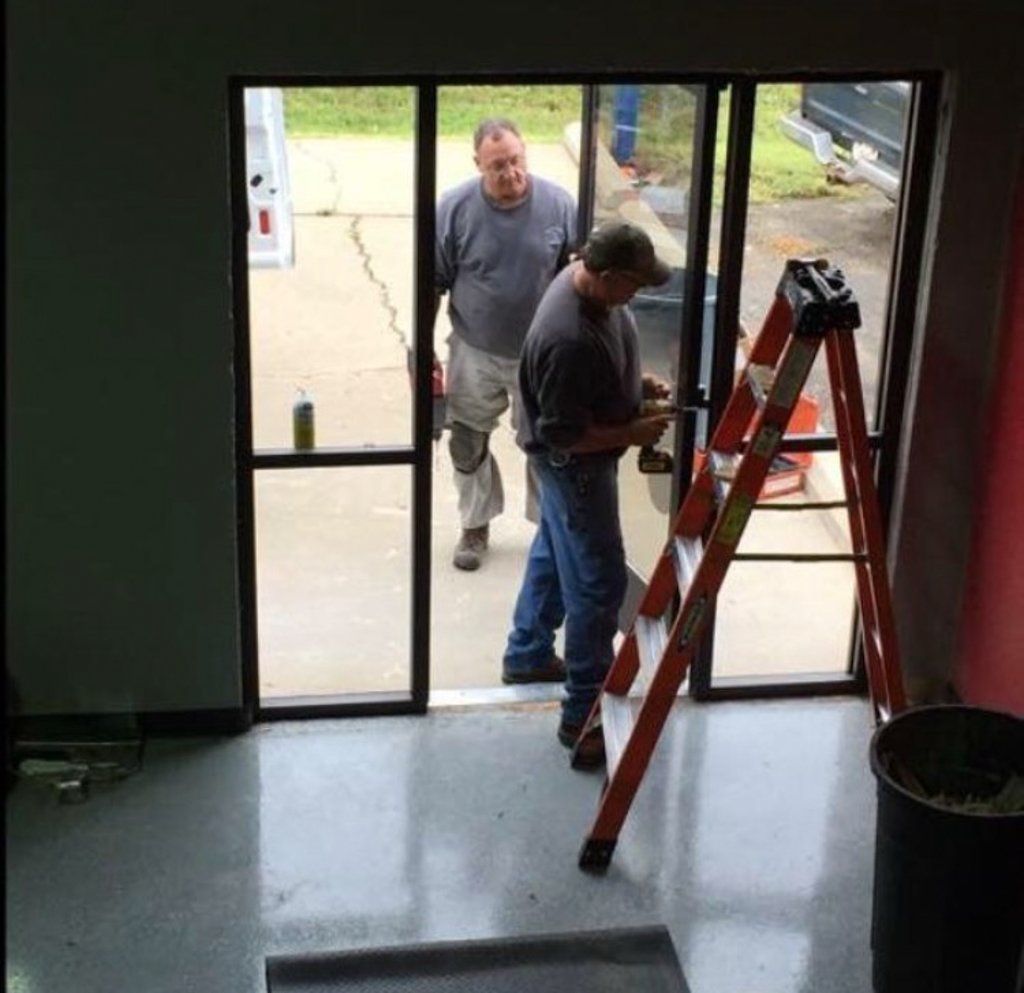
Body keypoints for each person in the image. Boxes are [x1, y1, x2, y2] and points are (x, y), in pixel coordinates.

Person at [502, 220, 674, 767]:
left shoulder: (588, 289)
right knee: (598, 588)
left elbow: (591, 375)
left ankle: (528, 653)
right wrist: (632, 432)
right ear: (604, 274)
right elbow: (564, 435)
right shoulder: (568, 338)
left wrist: (634, 385)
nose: (637, 294)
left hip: (568, 468)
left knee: (556, 553)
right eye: (633, 284)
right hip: (574, 469)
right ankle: (583, 717)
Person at [435, 118, 576, 572]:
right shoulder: (454, 209)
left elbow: (581, 278)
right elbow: (433, 281)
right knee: (466, 440)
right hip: (474, 349)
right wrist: (423, 351)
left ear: (525, 153)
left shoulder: (560, 204)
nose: (509, 173)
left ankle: (547, 530)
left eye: (516, 161)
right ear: (478, 164)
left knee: (546, 445)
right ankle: (475, 525)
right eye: (497, 166)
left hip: (540, 355)